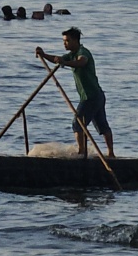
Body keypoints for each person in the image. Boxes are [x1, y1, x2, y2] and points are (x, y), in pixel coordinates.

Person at [36, 27, 114, 159]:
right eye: (64, 41)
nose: (64, 43)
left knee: (78, 124)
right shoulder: (72, 54)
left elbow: (81, 62)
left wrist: (65, 63)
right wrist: (44, 55)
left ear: (75, 41)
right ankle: (109, 153)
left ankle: (83, 152)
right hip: (95, 95)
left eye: (67, 41)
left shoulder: (83, 52)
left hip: (91, 96)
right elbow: (57, 59)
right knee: (101, 125)